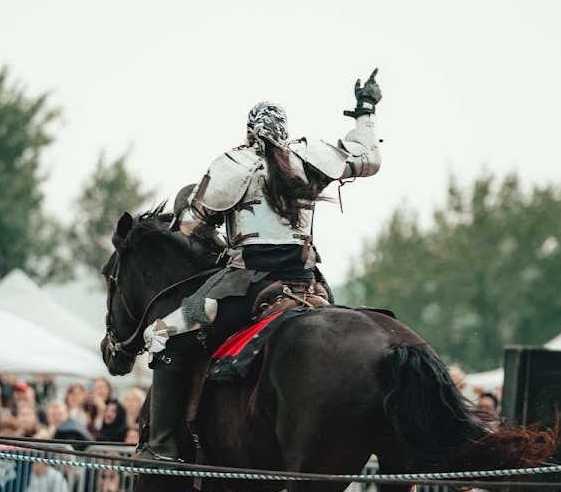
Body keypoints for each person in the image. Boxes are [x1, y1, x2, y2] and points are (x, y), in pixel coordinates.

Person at [134, 69, 383, 463]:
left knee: (163, 334)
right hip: (307, 283)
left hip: (242, 284)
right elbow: (367, 157)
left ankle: (159, 447)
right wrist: (365, 110)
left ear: (250, 132)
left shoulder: (235, 164)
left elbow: (191, 226)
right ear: (285, 131)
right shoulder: (309, 159)